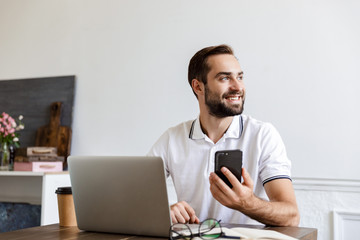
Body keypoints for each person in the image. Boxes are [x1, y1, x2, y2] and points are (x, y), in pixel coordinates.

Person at [148, 44, 300, 227]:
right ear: (198, 86)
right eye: (225, 78)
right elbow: (136, 198)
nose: (238, 87)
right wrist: (165, 211)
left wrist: (247, 203)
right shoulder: (172, 139)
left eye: (240, 77)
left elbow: (291, 216)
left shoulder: (262, 135)